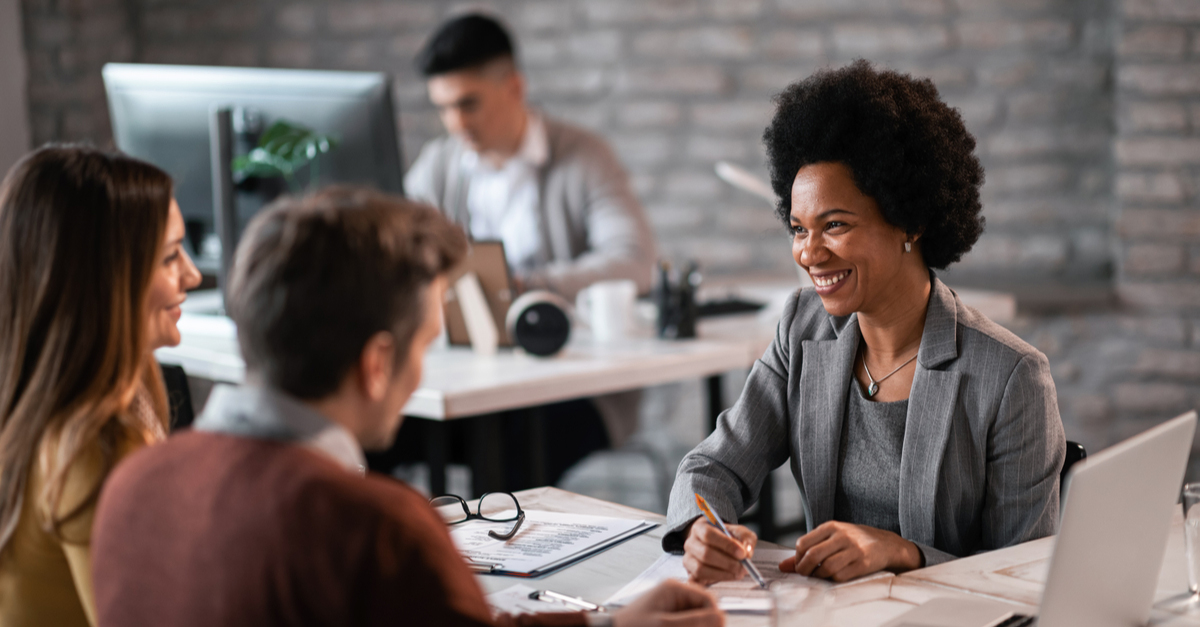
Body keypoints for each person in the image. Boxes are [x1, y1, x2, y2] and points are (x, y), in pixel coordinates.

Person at [90, 187, 722, 627]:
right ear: (375, 364)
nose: (422, 364)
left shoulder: (134, 484)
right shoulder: (372, 527)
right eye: (424, 342)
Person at [664, 61, 1066, 584]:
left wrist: (902, 553)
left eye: (835, 225)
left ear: (911, 221)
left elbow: (1026, 577)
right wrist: (701, 528)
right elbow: (713, 465)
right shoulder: (801, 330)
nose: (809, 253)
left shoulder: (1012, 378)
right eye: (798, 228)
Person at [395, 13, 655, 489]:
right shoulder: (438, 166)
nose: (457, 123)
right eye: (445, 107)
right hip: (470, 375)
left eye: (469, 104)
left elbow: (634, 263)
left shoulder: (583, 156)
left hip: (574, 383)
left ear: (514, 86)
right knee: (381, 434)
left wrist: (522, 287)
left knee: (509, 456)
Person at [0, 145, 202, 626]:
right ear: (105, 279)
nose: (192, 275)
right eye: (171, 256)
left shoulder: (44, 412)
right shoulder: (94, 445)